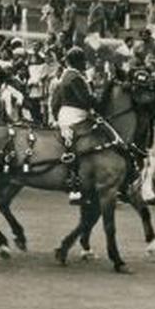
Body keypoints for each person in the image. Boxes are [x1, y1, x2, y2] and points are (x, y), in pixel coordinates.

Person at [51, 46, 95, 203]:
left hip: (68, 114)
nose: (85, 64)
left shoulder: (67, 75)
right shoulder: (74, 77)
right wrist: (98, 100)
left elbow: (55, 101)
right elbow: (85, 100)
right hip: (75, 115)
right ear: (77, 62)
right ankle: (75, 185)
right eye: (83, 61)